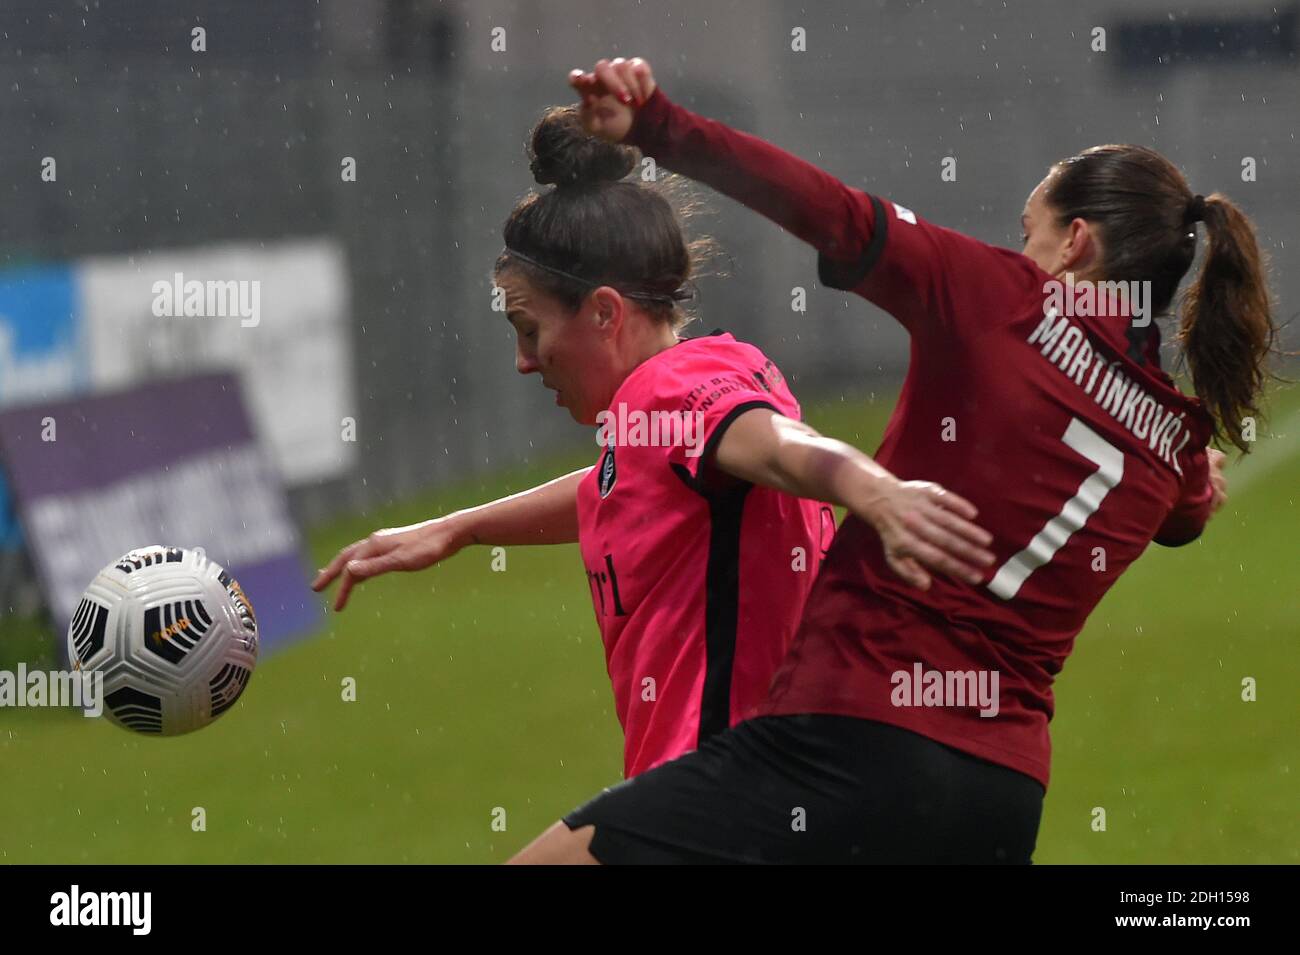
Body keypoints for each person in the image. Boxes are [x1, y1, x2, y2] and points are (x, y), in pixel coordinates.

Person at [506, 56, 1259, 864]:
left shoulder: (999, 298)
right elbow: (1183, 514)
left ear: (1075, 244)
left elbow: (822, 206)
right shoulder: (1169, 436)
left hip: (848, 745)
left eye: (1029, 233)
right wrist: (1196, 488)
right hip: (1001, 800)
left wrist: (661, 126)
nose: (1017, 250)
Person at [313, 105, 993, 781]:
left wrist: (877, 492)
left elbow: (780, 446)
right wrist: (462, 527)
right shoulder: (704, 381)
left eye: (529, 330)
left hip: (726, 792)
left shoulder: (674, 389)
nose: (525, 361)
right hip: (760, 781)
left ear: (605, 311)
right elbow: (616, 486)